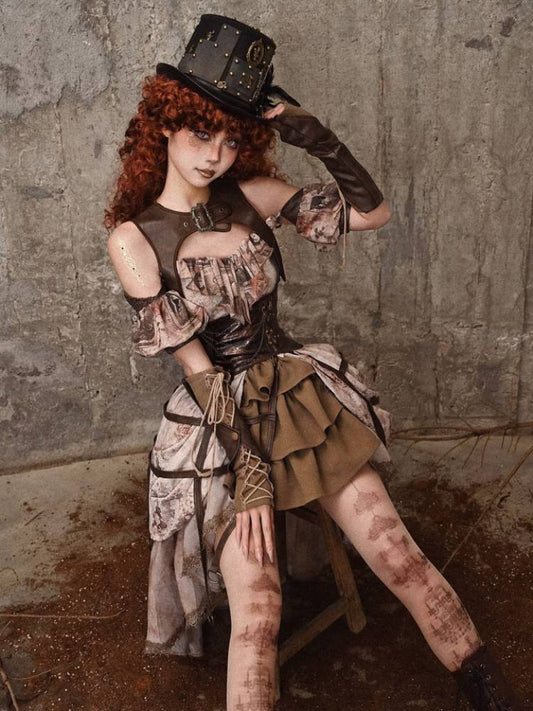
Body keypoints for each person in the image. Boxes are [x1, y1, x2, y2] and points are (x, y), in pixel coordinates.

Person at [104, 14, 523, 711]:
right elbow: (197, 367)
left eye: (231, 139)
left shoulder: (253, 195)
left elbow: (373, 213)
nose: (214, 155)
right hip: (219, 422)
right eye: (201, 133)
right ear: (166, 124)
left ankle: (490, 693)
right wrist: (249, 470)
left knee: (401, 557)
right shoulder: (133, 237)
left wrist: (316, 136)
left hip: (296, 396)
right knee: (259, 614)